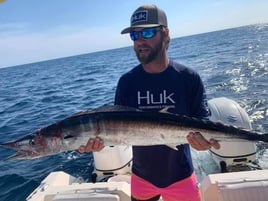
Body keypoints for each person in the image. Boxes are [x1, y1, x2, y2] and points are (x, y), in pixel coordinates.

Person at [79, 4, 220, 201]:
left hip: (181, 177)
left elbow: (203, 123)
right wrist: (95, 143)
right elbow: (116, 133)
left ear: (166, 33)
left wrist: (204, 143)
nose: (140, 41)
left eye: (147, 32)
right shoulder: (127, 82)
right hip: (141, 178)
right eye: (135, 36)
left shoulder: (188, 77)